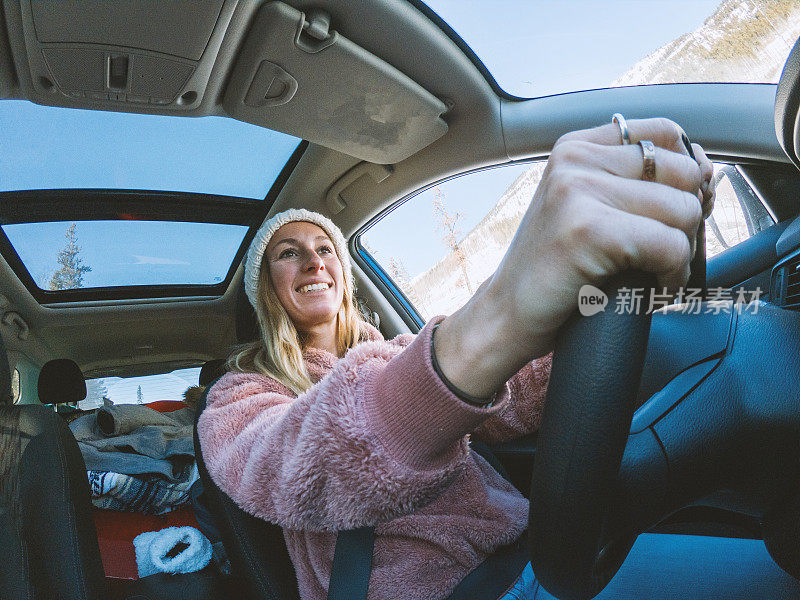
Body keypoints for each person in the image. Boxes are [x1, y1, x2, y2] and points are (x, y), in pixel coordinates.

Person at [198, 117, 716, 600]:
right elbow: (293, 467)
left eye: (325, 248)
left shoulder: (396, 353)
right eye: (289, 252)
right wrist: (497, 315)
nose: (313, 260)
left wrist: (610, 303)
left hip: (532, 554)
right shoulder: (237, 397)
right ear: (266, 289)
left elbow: (515, 393)